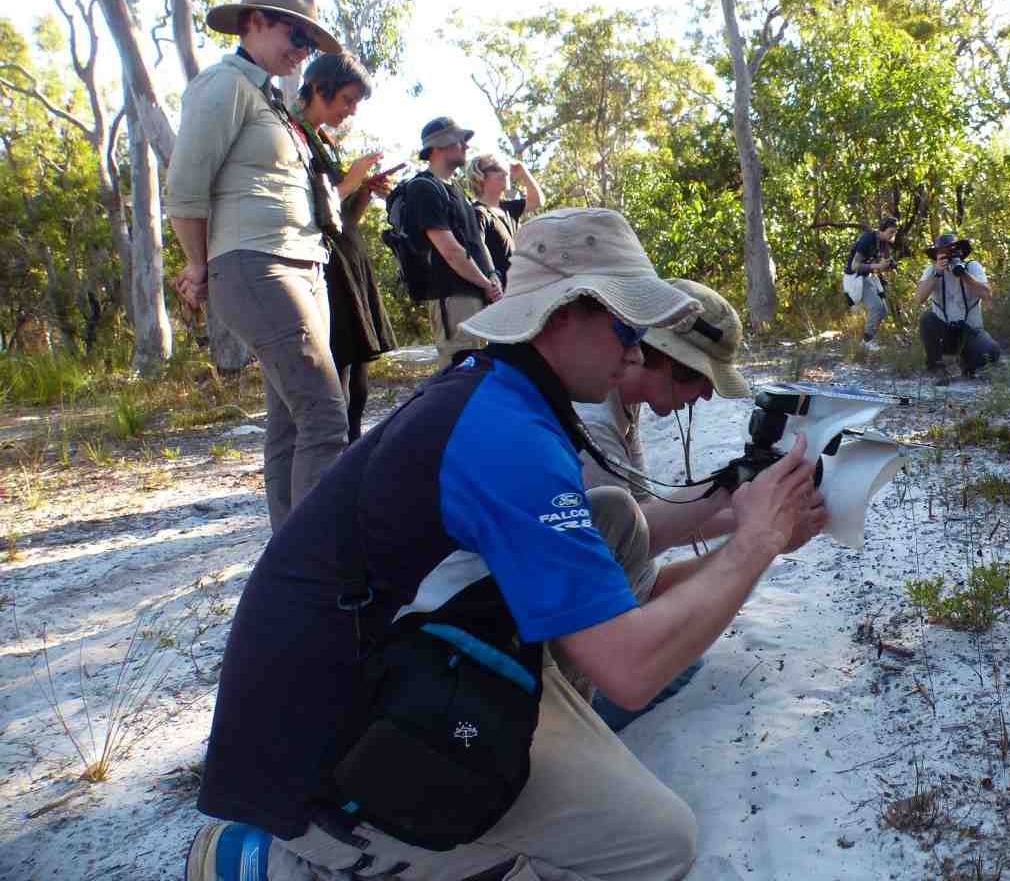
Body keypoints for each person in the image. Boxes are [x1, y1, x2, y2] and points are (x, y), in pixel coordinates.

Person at [185, 207, 822, 881]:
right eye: (627, 328)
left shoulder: (501, 394)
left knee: (611, 519)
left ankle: (527, 783)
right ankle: (293, 860)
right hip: (325, 746)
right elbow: (633, 672)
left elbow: (605, 550)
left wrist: (746, 521)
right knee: (657, 843)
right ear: (563, 313)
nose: (637, 353)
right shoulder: (508, 438)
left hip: (379, 662)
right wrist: (756, 542)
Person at [575, 279, 829, 730]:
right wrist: (756, 532)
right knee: (672, 663)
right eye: (701, 377)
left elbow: (642, 522)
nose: (707, 395)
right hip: (561, 645)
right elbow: (639, 540)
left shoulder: (620, 405)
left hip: (588, 595)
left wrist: (748, 504)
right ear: (664, 358)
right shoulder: (593, 426)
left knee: (682, 654)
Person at [165, 0, 350, 531]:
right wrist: (198, 264)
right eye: (294, 33)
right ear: (253, 22)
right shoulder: (222, 86)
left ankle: (290, 560)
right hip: (256, 264)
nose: (302, 50)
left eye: (310, 43)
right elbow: (185, 187)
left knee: (292, 423)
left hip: (303, 266)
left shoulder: (276, 102)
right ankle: (322, 565)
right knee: (324, 415)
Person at [293, 52, 399, 442]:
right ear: (320, 88)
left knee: (357, 374)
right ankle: (333, 457)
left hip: (349, 262)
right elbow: (308, 210)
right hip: (324, 268)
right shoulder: (291, 133)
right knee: (334, 371)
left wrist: (364, 189)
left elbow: (342, 216)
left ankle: (352, 451)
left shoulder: (326, 140)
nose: (351, 110)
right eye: (348, 100)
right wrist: (352, 178)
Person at [408, 116, 502, 364]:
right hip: (454, 300)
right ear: (439, 146)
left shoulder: (456, 190)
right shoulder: (423, 188)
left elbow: (475, 242)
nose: (466, 147)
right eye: (460, 141)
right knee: (461, 374)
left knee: (482, 373)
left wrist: (492, 276)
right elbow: (450, 250)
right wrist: (485, 283)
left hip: (477, 296)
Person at [914, 233, 1002, 384]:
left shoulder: (972, 267)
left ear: (961, 252)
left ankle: (967, 365)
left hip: (970, 330)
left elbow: (987, 295)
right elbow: (918, 298)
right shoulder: (932, 270)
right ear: (937, 255)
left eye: (952, 251)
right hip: (945, 331)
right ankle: (936, 367)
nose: (948, 255)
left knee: (991, 351)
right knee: (927, 319)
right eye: (944, 252)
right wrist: (937, 273)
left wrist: (963, 274)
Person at [468, 153, 545, 287]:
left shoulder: (508, 208)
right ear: (480, 177)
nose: (504, 171)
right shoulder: (477, 213)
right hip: (497, 293)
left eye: (504, 167)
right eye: (496, 168)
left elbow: (538, 201)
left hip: (518, 287)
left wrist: (523, 172)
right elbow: (476, 253)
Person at [843, 216, 899, 351]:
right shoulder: (867, 239)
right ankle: (866, 342)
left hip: (867, 276)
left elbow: (884, 260)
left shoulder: (883, 242)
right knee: (876, 307)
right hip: (855, 278)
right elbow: (854, 266)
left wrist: (889, 263)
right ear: (882, 230)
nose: (893, 235)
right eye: (891, 232)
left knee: (883, 311)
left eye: (894, 232)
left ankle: (869, 339)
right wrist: (877, 266)